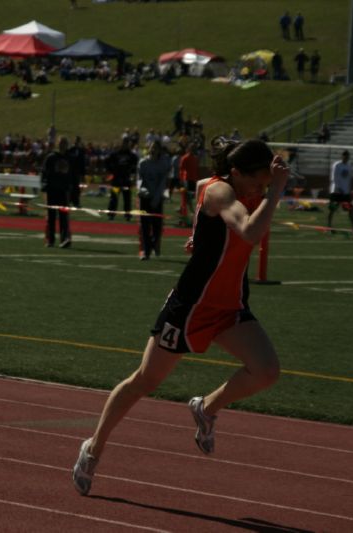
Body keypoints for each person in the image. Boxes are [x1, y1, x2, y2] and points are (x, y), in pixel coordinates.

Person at [72, 138, 290, 496]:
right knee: (145, 380)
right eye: (258, 182)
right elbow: (249, 231)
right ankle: (93, 448)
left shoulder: (239, 186)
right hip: (192, 306)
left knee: (266, 371)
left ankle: (206, 408)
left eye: (267, 182)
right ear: (236, 173)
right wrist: (277, 190)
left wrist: (198, 233)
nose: (262, 187)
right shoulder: (221, 191)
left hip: (231, 304)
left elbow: (208, 201)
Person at [137, 140, 171, 260]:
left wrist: (156, 198)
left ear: (159, 150)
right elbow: (139, 179)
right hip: (145, 198)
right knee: (145, 226)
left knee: (157, 227)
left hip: (157, 198)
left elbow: (162, 183)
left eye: (156, 147)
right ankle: (146, 252)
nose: (153, 149)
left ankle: (152, 245)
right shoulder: (143, 163)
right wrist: (141, 190)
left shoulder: (163, 164)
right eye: (152, 147)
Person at [42, 136, 73, 248]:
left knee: (64, 216)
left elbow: (72, 175)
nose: (62, 145)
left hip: (63, 190)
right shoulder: (51, 157)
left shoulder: (69, 158)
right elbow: (44, 173)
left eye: (64, 143)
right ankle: (50, 240)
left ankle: (64, 239)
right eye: (60, 143)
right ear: (57, 144)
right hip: (52, 189)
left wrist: (72, 189)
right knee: (51, 216)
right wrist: (44, 186)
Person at [327, 150, 353, 232]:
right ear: (342, 156)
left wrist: (349, 190)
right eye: (345, 156)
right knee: (333, 209)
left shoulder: (349, 166)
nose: (346, 158)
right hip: (336, 191)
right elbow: (333, 178)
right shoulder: (337, 165)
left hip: (346, 192)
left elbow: (349, 179)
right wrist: (339, 188)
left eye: (347, 156)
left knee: (351, 209)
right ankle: (329, 227)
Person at [105, 136, 137, 221]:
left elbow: (135, 166)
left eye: (127, 143)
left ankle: (127, 215)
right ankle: (111, 214)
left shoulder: (132, 155)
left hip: (126, 180)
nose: (125, 145)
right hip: (116, 180)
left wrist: (132, 174)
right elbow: (107, 162)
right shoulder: (115, 154)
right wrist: (112, 171)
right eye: (124, 143)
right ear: (122, 143)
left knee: (127, 198)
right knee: (114, 198)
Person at [66, 136, 87, 207]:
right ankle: (67, 201)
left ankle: (76, 202)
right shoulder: (70, 150)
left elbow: (82, 163)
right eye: (76, 141)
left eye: (78, 141)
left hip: (77, 172)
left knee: (76, 188)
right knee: (69, 187)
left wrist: (83, 174)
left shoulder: (81, 151)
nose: (76, 142)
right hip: (70, 171)